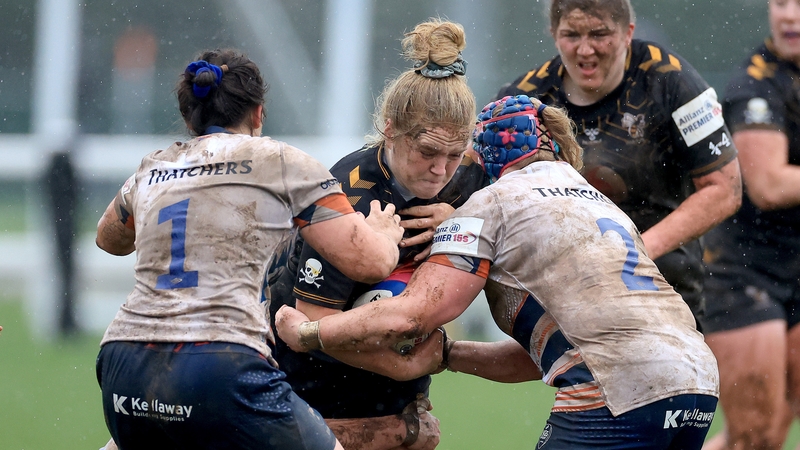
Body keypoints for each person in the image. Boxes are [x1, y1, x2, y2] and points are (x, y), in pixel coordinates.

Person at [276, 94, 721, 450]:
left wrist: (309, 334)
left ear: (480, 159)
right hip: (696, 383)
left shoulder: (489, 203)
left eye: (456, 157)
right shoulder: (601, 205)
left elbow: (412, 315)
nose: (444, 170)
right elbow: (552, 356)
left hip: (619, 391)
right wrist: (449, 356)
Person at [94, 48, 406, 450]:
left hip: (125, 361)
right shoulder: (279, 161)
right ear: (258, 113)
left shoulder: (154, 168)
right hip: (219, 361)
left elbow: (109, 239)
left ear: (190, 118)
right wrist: (383, 234)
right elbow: (369, 262)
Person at [268, 18, 490, 450]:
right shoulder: (350, 200)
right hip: (311, 380)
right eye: (427, 152)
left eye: (453, 153)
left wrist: (464, 215)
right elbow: (311, 322)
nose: (440, 170)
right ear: (391, 128)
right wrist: (401, 367)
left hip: (392, 380)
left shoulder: (469, 178)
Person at [496, 0, 741, 323]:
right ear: (553, 34)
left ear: (628, 33)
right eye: (571, 35)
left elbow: (725, 189)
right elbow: (483, 191)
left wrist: (630, 253)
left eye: (599, 34)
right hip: (568, 293)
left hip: (665, 284)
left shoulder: (672, 81)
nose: (585, 50)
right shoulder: (525, 100)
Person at [700, 1, 800, 448]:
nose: (788, 16)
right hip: (745, 271)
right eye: (780, 2)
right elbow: (769, 185)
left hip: (796, 265)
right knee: (753, 434)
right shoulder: (755, 85)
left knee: (778, 424)